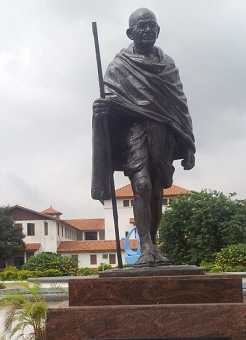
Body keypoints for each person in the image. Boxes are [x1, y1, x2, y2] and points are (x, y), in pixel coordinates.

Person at [91, 8, 196, 267]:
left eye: (152, 25)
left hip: (163, 132)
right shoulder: (119, 66)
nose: (148, 30)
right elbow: (111, 101)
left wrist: (188, 144)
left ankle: (153, 244)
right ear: (130, 33)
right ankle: (145, 246)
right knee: (142, 185)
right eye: (142, 26)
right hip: (134, 131)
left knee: (157, 190)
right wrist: (101, 109)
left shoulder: (167, 65)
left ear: (158, 30)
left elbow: (179, 105)